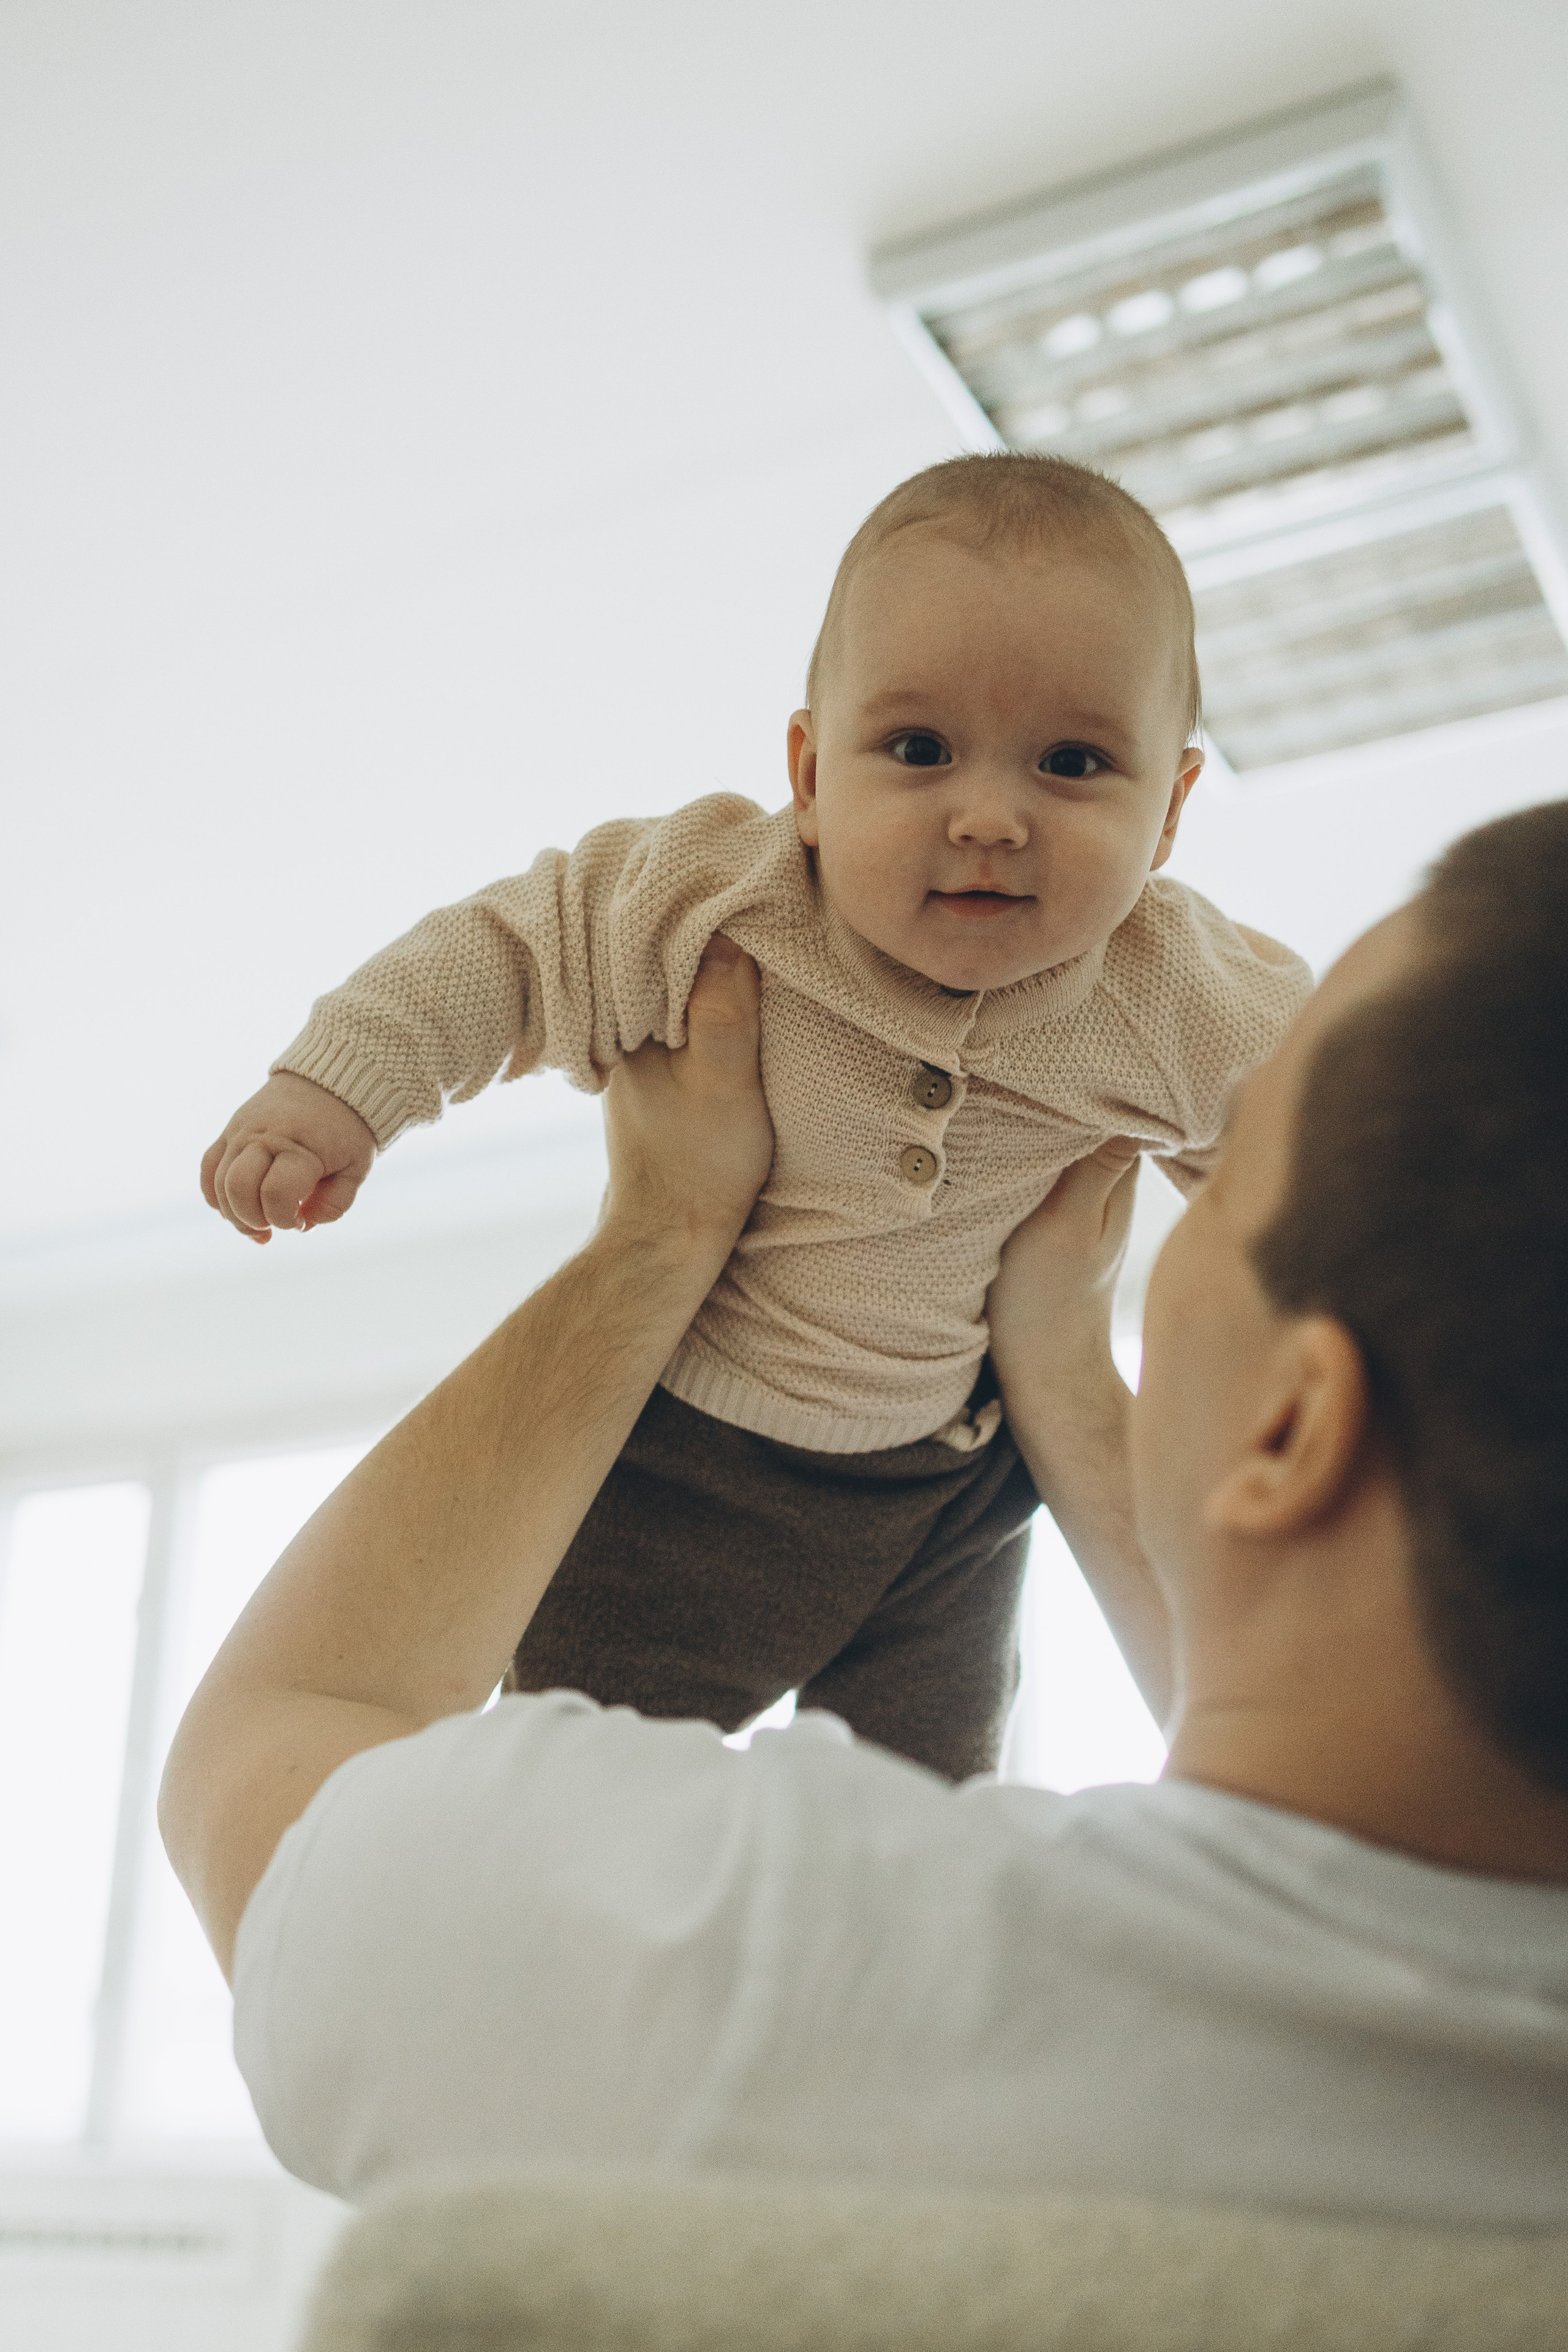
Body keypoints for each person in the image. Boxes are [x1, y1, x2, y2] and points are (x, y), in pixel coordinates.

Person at [161, 801, 1568, 2225]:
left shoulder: (784, 1979)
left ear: (1289, 1426)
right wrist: (1064, 1369)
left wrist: (657, 1235)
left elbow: (276, 1747)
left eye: (1213, 1196)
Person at [197, 453, 1309, 1779]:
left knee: (922, 1816)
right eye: (915, 749)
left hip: (950, 1487)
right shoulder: (715, 899)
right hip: (684, 1460)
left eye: (1072, 763)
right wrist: (336, 1092)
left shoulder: (1176, 997)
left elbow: (1328, 1147)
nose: (988, 817)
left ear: (1173, 810)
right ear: (808, 774)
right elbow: (507, 950)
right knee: (579, 1779)